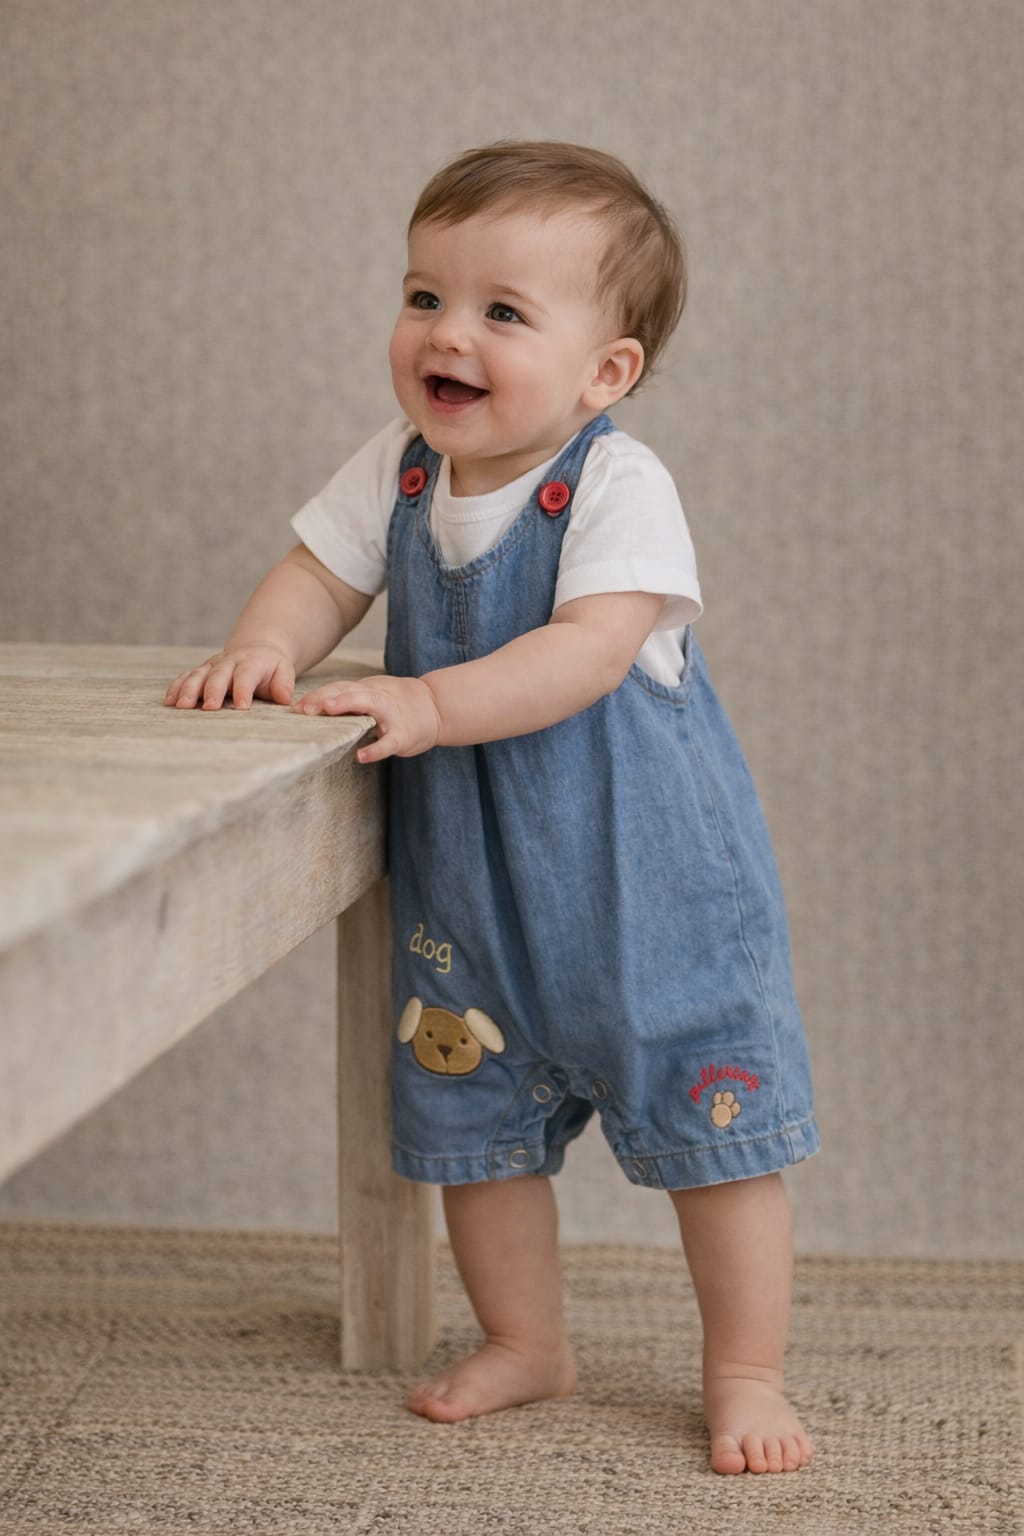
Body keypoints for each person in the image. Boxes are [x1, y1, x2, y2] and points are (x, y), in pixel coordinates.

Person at [165, 141, 819, 1475]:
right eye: (425, 296)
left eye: (503, 312)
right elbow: (317, 571)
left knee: (716, 1137)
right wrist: (265, 646)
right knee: (477, 1133)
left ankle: (746, 1371)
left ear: (604, 372)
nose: (447, 334)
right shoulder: (400, 469)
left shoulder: (617, 487)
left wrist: (429, 700)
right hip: (472, 893)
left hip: (648, 899)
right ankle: (528, 1341)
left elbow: (585, 654)